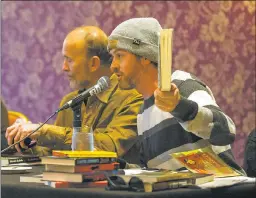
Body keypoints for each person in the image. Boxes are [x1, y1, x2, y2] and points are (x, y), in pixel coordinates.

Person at [107, 17, 245, 174]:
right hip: (184, 196)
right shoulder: (143, 112)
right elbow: (157, 172)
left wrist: (179, 106)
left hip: (224, 193)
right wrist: (116, 166)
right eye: (112, 58)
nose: (113, 66)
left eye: (120, 56)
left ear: (145, 57)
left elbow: (226, 131)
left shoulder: (182, 84)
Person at [5, 26, 143, 164]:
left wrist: (44, 131)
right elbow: (51, 153)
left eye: (69, 60)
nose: (63, 67)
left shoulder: (132, 99)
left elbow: (110, 147)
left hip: (113, 183)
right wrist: (27, 140)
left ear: (93, 63)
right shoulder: (70, 101)